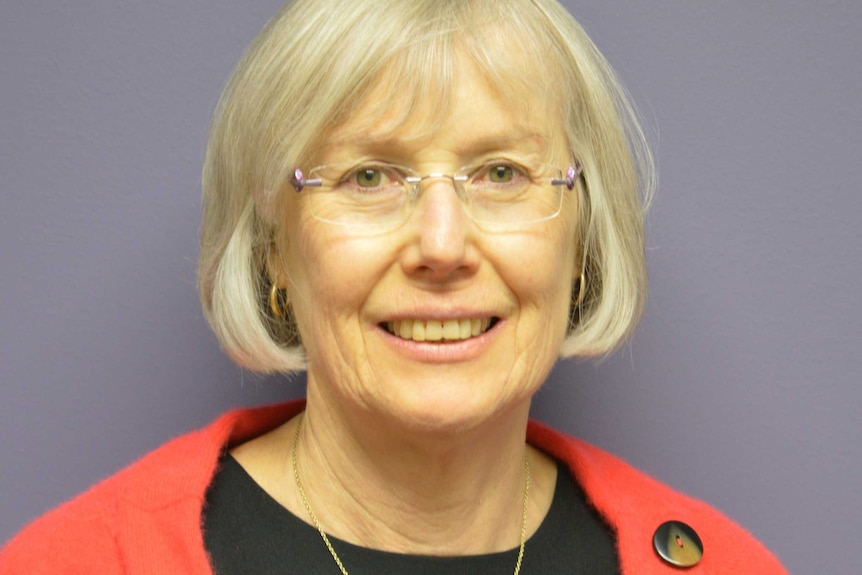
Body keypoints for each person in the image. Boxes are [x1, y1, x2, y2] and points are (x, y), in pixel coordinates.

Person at [0, 0, 787, 573]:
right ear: (277, 248)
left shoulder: (726, 563)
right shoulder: (76, 560)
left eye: (502, 173)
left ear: (579, 237)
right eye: (369, 175)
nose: (441, 246)